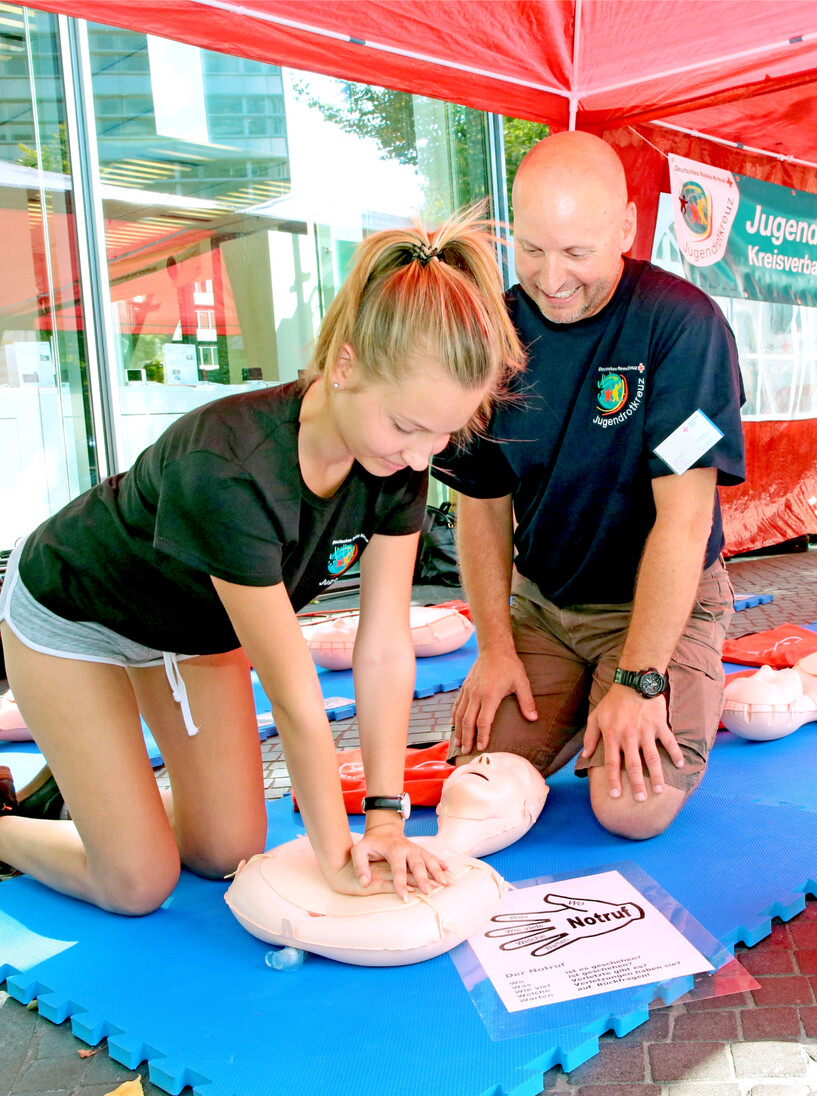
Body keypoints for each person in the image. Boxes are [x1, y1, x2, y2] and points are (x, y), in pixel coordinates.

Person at [0, 210, 524, 914]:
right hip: (75, 613)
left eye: (443, 433)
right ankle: (10, 827)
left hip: (188, 632)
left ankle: (99, 795)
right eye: (406, 426)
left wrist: (387, 820)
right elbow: (296, 698)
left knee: (224, 852)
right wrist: (339, 856)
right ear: (345, 367)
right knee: (136, 884)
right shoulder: (232, 471)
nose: (423, 456)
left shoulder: (399, 464)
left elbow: (385, 648)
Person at [433, 131, 745, 841]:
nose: (551, 278)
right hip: (546, 608)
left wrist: (639, 680)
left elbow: (684, 521)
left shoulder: (682, 328)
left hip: (659, 607)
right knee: (477, 778)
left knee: (629, 810)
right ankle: (579, 698)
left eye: (577, 253)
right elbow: (480, 505)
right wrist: (495, 646)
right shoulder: (493, 331)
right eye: (533, 249)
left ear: (628, 229)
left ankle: (644, 689)